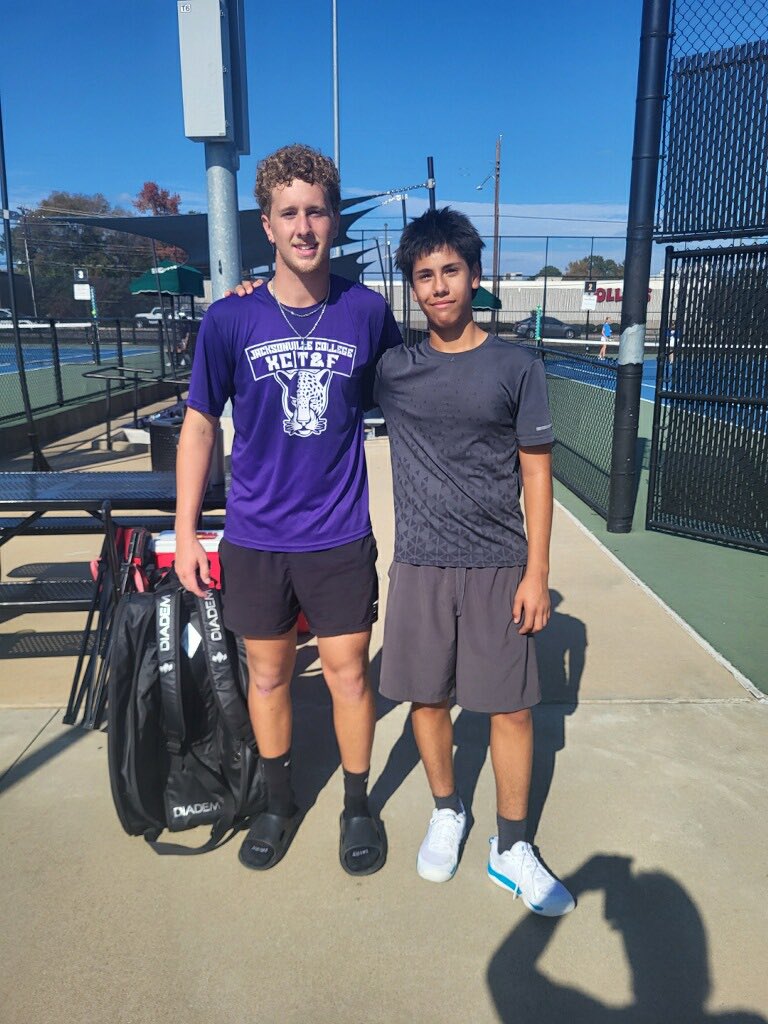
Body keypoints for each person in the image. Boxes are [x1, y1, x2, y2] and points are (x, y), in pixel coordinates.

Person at [175, 144, 401, 875]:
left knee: (348, 676)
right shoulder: (230, 319)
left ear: (332, 220)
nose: (304, 226)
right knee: (266, 677)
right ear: (266, 225)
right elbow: (201, 423)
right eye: (289, 213)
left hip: (337, 535)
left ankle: (357, 805)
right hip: (256, 536)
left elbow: (406, 399)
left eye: (316, 211)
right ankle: (278, 801)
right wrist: (185, 533)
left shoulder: (366, 312)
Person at [374, 207, 574, 915]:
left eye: (450, 271)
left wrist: (538, 572)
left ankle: (511, 846)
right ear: (412, 287)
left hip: (498, 564)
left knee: (512, 712)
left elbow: (537, 474)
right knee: (426, 699)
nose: (438, 286)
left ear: (474, 274)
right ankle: (447, 810)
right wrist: (251, 289)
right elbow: (318, 323)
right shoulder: (393, 368)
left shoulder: (518, 365)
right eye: (424, 276)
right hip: (422, 565)